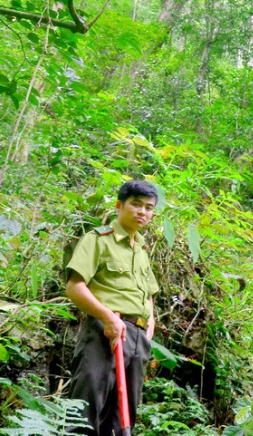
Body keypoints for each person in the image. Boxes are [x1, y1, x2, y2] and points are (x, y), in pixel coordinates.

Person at [66, 180, 160, 435]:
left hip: (137, 338)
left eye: (149, 208)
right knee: (85, 413)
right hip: (104, 332)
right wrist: (108, 318)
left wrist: (148, 325)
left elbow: (148, 293)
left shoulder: (142, 249)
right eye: (136, 204)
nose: (143, 212)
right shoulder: (97, 240)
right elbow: (75, 287)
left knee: (122, 419)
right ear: (120, 206)